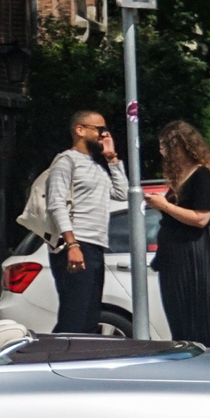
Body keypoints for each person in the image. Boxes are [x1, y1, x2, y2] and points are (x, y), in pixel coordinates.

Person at [45, 110, 129, 335]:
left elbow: (122, 194)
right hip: (76, 244)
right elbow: (56, 204)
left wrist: (112, 158)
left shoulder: (96, 164)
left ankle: (77, 357)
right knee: (75, 314)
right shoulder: (66, 161)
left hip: (95, 245)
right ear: (80, 130)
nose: (104, 134)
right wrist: (72, 244)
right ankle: (58, 358)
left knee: (89, 315)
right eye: (99, 129)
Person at [147, 120, 210, 345]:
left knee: (194, 316)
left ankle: (202, 360)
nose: (163, 152)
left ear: (180, 146)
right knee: (178, 315)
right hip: (173, 254)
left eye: (165, 146)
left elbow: (201, 218)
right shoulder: (181, 177)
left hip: (191, 253)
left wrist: (164, 205)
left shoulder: (202, 176)